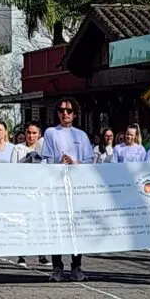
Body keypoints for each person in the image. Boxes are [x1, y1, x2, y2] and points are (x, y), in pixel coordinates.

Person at [43, 98, 93, 282]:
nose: (65, 113)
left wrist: (75, 163)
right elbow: (47, 161)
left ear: (75, 114)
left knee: (76, 229)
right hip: (57, 187)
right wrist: (59, 164)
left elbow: (89, 162)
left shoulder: (81, 135)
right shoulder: (50, 133)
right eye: (61, 110)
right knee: (58, 227)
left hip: (76, 188)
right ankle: (57, 267)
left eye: (69, 110)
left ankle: (76, 266)